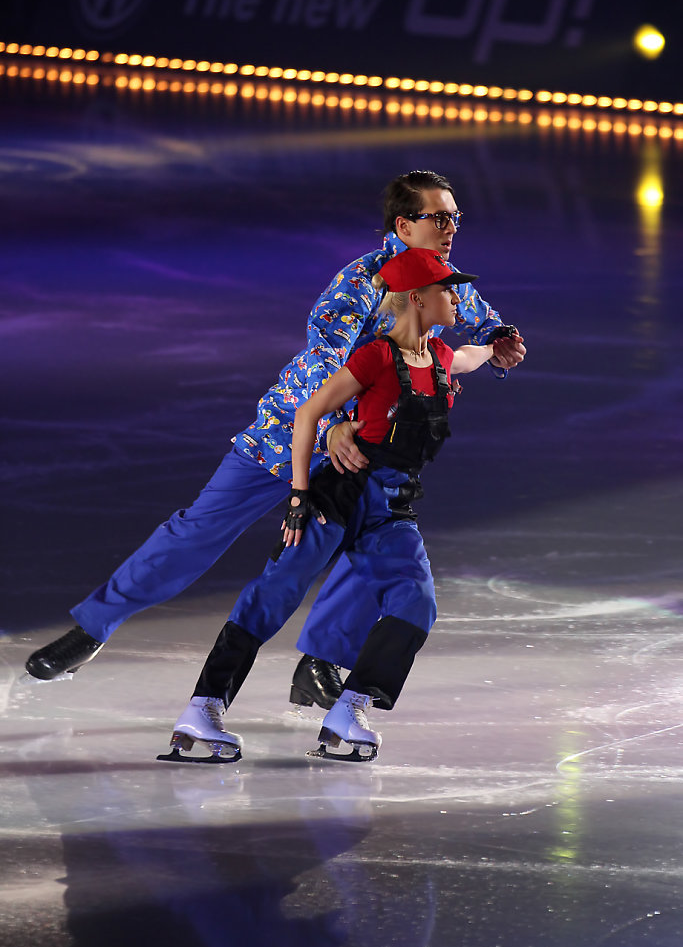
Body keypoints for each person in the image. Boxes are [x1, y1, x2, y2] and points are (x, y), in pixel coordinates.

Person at [25, 171, 525, 709]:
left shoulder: (448, 281)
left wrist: (500, 340)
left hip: (363, 450)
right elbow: (324, 359)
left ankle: (321, 662)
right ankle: (92, 630)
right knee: (194, 532)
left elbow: (481, 321)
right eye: (440, 218)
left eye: (456, 218)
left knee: (373, 547)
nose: (452, 228)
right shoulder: (359, 282)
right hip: (287, 432)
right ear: (404, 225)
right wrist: (331, 422)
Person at [163, 247, 513, 764]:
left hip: (391, 508)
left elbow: (468, 356)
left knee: (416, 602)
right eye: (447, 289)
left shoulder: (439, 359)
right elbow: (308, 414)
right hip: (338, 497)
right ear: (417, 298)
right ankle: (204, 705)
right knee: (273, 596)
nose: (457, 298)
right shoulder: (373, 357)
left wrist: (496, 346)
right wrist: (300, 494)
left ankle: (351, 706)